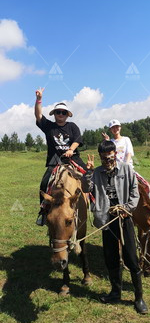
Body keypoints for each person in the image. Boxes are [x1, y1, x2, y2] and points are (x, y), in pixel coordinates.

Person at [82, 140, 148, 314]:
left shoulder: (127, 169)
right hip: (106, 220)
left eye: (110, 159)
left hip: (124, 218)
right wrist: (87, 172)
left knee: (131, 258)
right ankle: (115, 292)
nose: (108, 162)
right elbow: (85, 188)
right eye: (104, 159)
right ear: (100, 158)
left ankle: (139, 297)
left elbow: (135, 193)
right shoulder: (96, 173)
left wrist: (127, 208)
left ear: (115, 155)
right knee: (110, 257)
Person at [35, 87, 87, 223]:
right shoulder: (49, 127)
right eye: (58, 112)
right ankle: (44, 211)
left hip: (73, 159)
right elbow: (38, 116)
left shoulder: (72, 126)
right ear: (54, 114)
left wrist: (71, 149)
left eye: (63, 112)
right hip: (55, 160)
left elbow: (78, 139)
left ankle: (94, 205)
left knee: (89, 176)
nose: (60, 114)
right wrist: (39, 100)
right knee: (44, 182)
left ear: (67, 114)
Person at [102, 119, 150, 195]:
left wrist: (126, 165)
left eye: (117, 127)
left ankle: (147, 205)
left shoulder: (126, 139)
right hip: (114, 170)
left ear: (120, 127)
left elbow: (129, 153)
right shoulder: (110, 142)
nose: (115, 129)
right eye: (113, 128)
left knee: (146, 186)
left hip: (128, 168)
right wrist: (107, 141)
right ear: (110, 129)